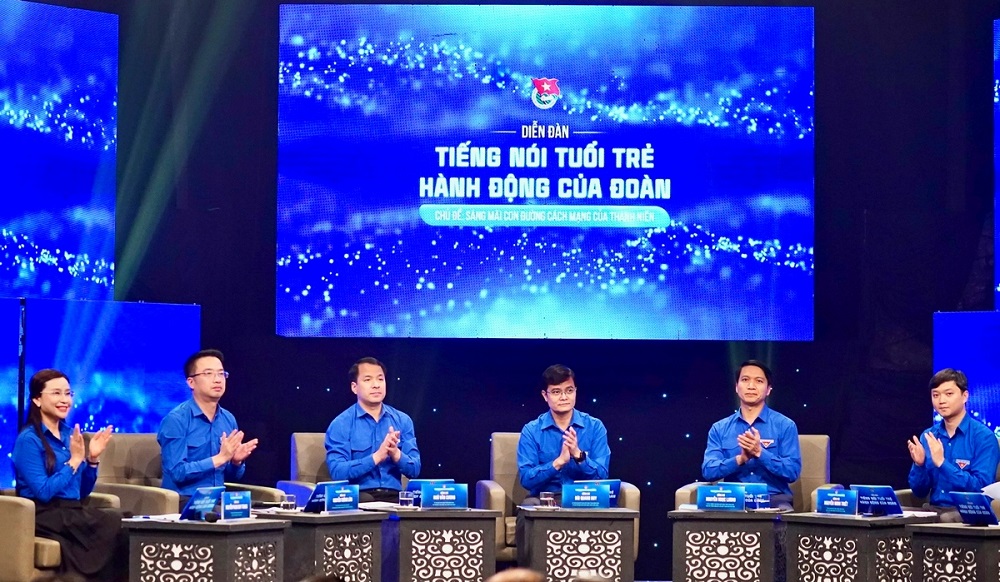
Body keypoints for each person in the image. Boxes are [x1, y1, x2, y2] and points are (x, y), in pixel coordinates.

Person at [12, 369, 125, 581]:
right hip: (44, 513)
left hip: (72, 511)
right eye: (56, 393)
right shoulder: (28, 440)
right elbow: (43, 492)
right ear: (37, 399)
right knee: (115, 521)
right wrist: (73, 461)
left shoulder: (69, 435)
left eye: (68, 393)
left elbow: (81, 492)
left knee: (126, 522)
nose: (65, 400)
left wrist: (92, 460)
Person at [157, 349, 258, 507]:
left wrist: (236, 462)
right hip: (184, 501)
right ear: (191, 382)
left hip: (218, 500)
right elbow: (177, 472)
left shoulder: (228, 419)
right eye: (208, 373)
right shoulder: (176, 420)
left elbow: (232, 476)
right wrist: (220, 458)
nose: (217, 380)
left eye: (221, 374)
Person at [702, 360, 802, 510]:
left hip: (773, 499)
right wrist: (740, 459)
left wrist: (760, 453)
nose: (751, 386)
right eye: (745, 379)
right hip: (733, 500)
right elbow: (709, 471)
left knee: (781, 519)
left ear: (768, 389)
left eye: (759, 381)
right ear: (737, 387)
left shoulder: (785, 425)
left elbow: (792, 471)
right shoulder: (719, 428)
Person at [907, 368, 1000, 522]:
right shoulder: (928, 436)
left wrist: (942, 463)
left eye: (948, 394)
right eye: (936, 395)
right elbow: (919, 492)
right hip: (934, 510)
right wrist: (920, 465)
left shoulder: (983, 437)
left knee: (945, 519)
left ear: (965, 396)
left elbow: (981, 489)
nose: (941, 401)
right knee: (896, 516)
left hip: (970, 511)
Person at [325, 357, 421, 502]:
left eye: (380, 379)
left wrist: (396, 453)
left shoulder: (403, 420)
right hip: (358, 497)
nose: (376, 385)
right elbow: (337, 472)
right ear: (354, 387)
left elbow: (415, 470)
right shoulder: (341, 424)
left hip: (395, 498)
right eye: (368, 380)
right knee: (365, 500)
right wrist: (377, 457)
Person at [517, 364, 611, 501]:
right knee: (528, 507)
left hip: (584, 498)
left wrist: (579, 456)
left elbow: (602, 476)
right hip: (544, 499)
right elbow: (526, 480)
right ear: (545, 395)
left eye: (569, 390)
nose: (564, 397)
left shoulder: (595, 427)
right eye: (556, 392)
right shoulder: (531, 431)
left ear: (575, 391)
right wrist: (558, 463)